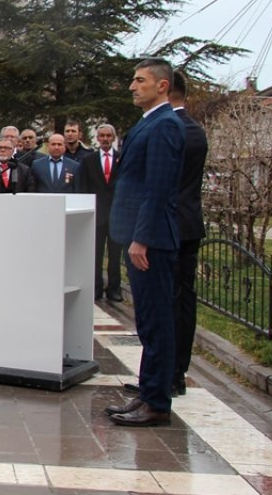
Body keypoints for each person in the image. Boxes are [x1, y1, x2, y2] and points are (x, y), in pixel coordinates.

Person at [105, 58, 185, 427]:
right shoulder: (148, 122)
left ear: (162, 85)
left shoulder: (166, 124)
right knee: (148, 322)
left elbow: (158, 188)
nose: (132, 87)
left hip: (150, 240)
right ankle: (148, 392)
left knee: (157, 321)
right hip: (140, 235)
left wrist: (142, 239)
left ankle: (157, 402)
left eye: (140, 81)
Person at [170, 71, 208, 396]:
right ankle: (174, 371)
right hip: (189, 223)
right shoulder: (195, 129)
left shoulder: (170, 129)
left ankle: (170, 373)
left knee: (172, 302)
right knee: (182, 300)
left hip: (170, 227)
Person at [78, 123, 123, 301]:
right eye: (101, 136)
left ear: (113, 138)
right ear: (97, 138)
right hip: (96, 214)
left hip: (116, 214)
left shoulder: (122, 159)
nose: (105, 139)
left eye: (108, 136)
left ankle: (114, 289)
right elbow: (83, 186)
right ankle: (95, 288)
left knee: (115, 255)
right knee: (95, 254)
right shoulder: (89, 160)